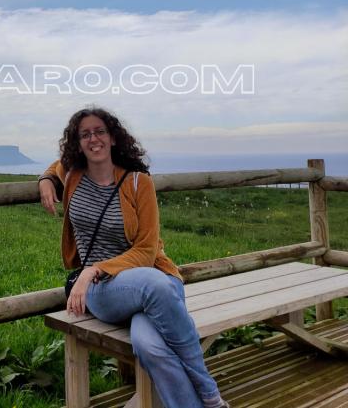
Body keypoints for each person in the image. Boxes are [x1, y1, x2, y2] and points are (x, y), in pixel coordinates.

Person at [38, 106, 229, 408]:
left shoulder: (139, 183)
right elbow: (54, 167)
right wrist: (46, 180)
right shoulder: (72, 174)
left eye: (99, 131)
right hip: (104, 291)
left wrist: (93, 269)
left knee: (150, 346)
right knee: (155, 285)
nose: (93, 138)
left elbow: (146, 251)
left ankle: (199, 401)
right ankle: (209, 391)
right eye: (85, 134)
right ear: (78, 143)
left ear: (113, 138)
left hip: (153, 281)